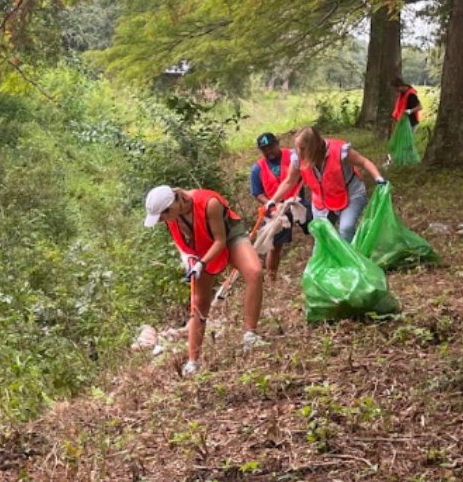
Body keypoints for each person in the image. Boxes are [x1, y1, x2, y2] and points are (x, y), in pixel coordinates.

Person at [144, 185, 264, 377]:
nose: (162, 221)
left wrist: (202, 264)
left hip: (227, 237)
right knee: (199, 304)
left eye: (162, 216)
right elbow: (181, 243)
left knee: (254, 272)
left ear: (171, 206)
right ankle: (193, 361)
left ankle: (250, 334)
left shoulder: (210, 203)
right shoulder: (172, 217)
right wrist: (188, 258)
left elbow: (220, 240)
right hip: (201, 247)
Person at [266, 126, 386, 243]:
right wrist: (273, 200)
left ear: (313, 147)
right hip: (322, 200)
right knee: (321, 234)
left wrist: (378, 177)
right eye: (297, 147)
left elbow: (363, 162)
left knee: (346, 228)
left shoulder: (340, 151)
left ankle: (350, 258)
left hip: (351, 194)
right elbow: (289, 181)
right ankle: (322, 261)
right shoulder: (298, 158)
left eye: (302, 148)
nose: (298, 152)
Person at [249, 132, 303, 282]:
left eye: (271, 146)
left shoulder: (292, 156)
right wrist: (270, 203)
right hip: (275, 208)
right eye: (265, 149)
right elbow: (257, 192)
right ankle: (271, 275)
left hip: (298, 202)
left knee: (316, 226)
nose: (269, 151)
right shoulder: (257, 168)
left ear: (277, 143)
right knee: (274, 244)